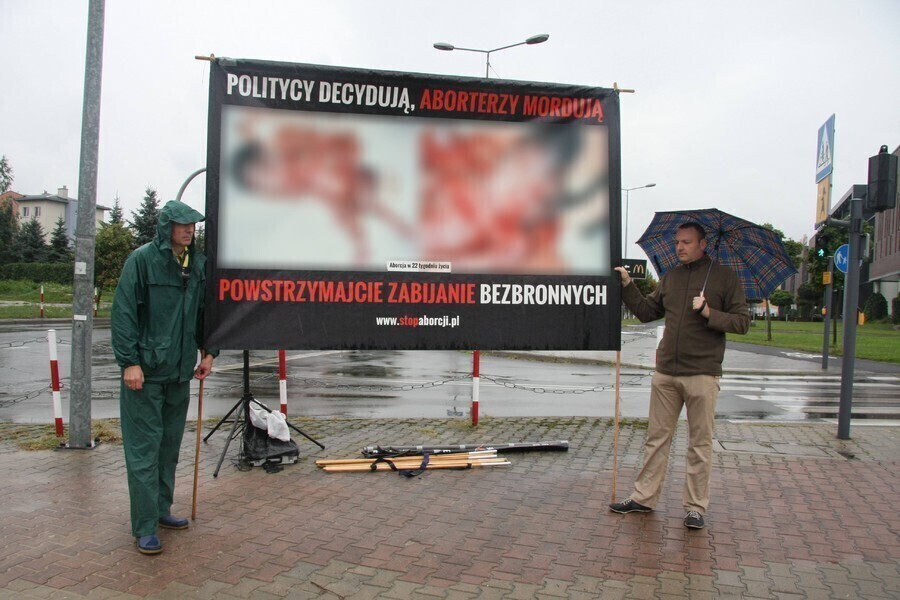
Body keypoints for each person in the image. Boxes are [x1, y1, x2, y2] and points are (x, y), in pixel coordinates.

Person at [610, 222, 749, 529]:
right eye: (677, 243)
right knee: (656, 439)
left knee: (699, 443)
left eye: (686, 242)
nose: (680, 248)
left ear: (703, 244)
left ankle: (695, 507)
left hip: (703, 374)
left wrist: (710, 313)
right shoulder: (670, 278)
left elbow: (742, 322)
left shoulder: (725, 279)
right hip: (666, 373)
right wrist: (627, 285)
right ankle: (644, 498)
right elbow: (647, 312)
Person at [111, 200, 217, 555]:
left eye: (193, 225)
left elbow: (205, 312)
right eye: (182, 224)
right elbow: (124, 313)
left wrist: (209, 352)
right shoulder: (142, 261)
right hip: (145, 374)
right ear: (165, 226)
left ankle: (161, 510)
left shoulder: (197, 265)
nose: (189, 230)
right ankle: (143, 527)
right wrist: (129, 362)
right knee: (144, 451)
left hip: (178, 373)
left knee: (169, 447)